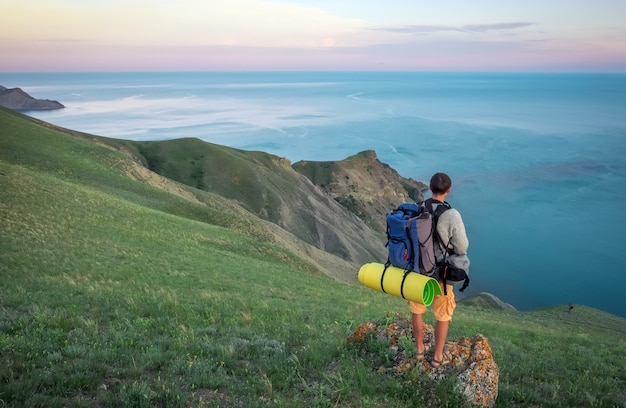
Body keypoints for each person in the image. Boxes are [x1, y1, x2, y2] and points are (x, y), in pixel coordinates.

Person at [410, 172, 469, 368]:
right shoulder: (451, 214)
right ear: (449, 190)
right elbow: (462, 247)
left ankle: (419, 351)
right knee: (443, 314)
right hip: (441, 273)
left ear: (430, 187)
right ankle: (437, 357)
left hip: (419, 270)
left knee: (417, 311)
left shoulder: (420, 207)